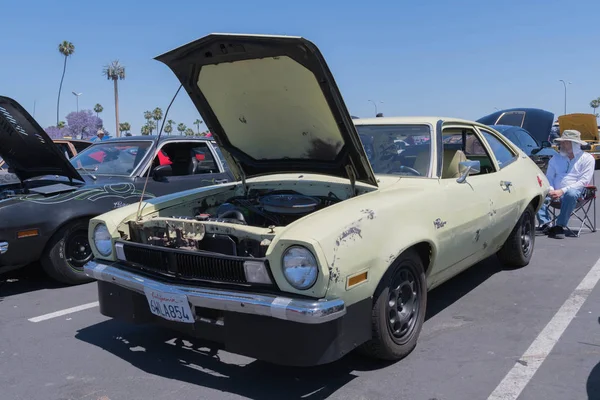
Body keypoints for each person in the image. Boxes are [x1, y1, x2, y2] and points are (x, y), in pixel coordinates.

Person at [536, 129, 595, 239]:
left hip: (576, 194)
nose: (561, 144)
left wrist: (562, 191)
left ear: (575, 144)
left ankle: (559, 225)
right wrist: (551, 189)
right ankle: (546, 224)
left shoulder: (587, 159)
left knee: (571, 194)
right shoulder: (556, 158)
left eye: (565, 142)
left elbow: (583, 181)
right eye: (561, 142)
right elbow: (549, 177)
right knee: (536, 191)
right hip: (554, 192)